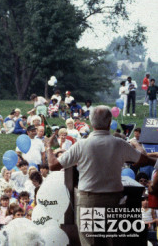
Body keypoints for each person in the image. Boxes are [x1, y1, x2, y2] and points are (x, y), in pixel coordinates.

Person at [47, 105, 157, 246]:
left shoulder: (81, 145)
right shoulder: (119, 144)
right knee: (114, 243)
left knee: (91, 243)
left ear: (92, 123)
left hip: (89, 202)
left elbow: (53, 165)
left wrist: (48, 146)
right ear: (110, 121)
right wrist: (137, 144)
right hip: (115, 202)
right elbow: (143, 159)